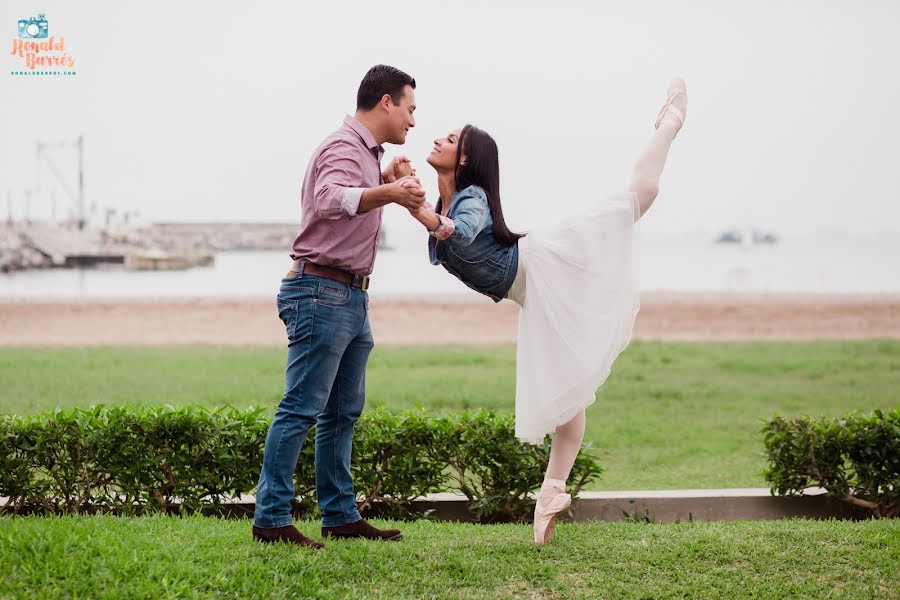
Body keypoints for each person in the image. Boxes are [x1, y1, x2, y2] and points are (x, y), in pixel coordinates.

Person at [403, 78, 688, 545]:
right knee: (565, 392)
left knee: (634, 199)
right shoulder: (448, 199)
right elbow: (442, 228)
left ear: (467, 159)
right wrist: (409, 191)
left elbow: (461, 229)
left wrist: (421, 213)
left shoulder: (469, 201)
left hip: (546, 262)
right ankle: (550, 495)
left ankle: (670, 124)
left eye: (450, 139)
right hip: (532, 291)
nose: (436, 138)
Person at [252, 64, 426, 549]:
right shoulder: (344, 145)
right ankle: (270, 519)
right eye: (410, 109)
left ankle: (339, 515)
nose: (413, 122)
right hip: (321, 291)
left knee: (342, 411)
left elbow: (352, 194)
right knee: (301, 409)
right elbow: (330, 198)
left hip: (349, 294)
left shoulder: (366, 155)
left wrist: (384, 177)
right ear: (387, 101)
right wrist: (388, 191)